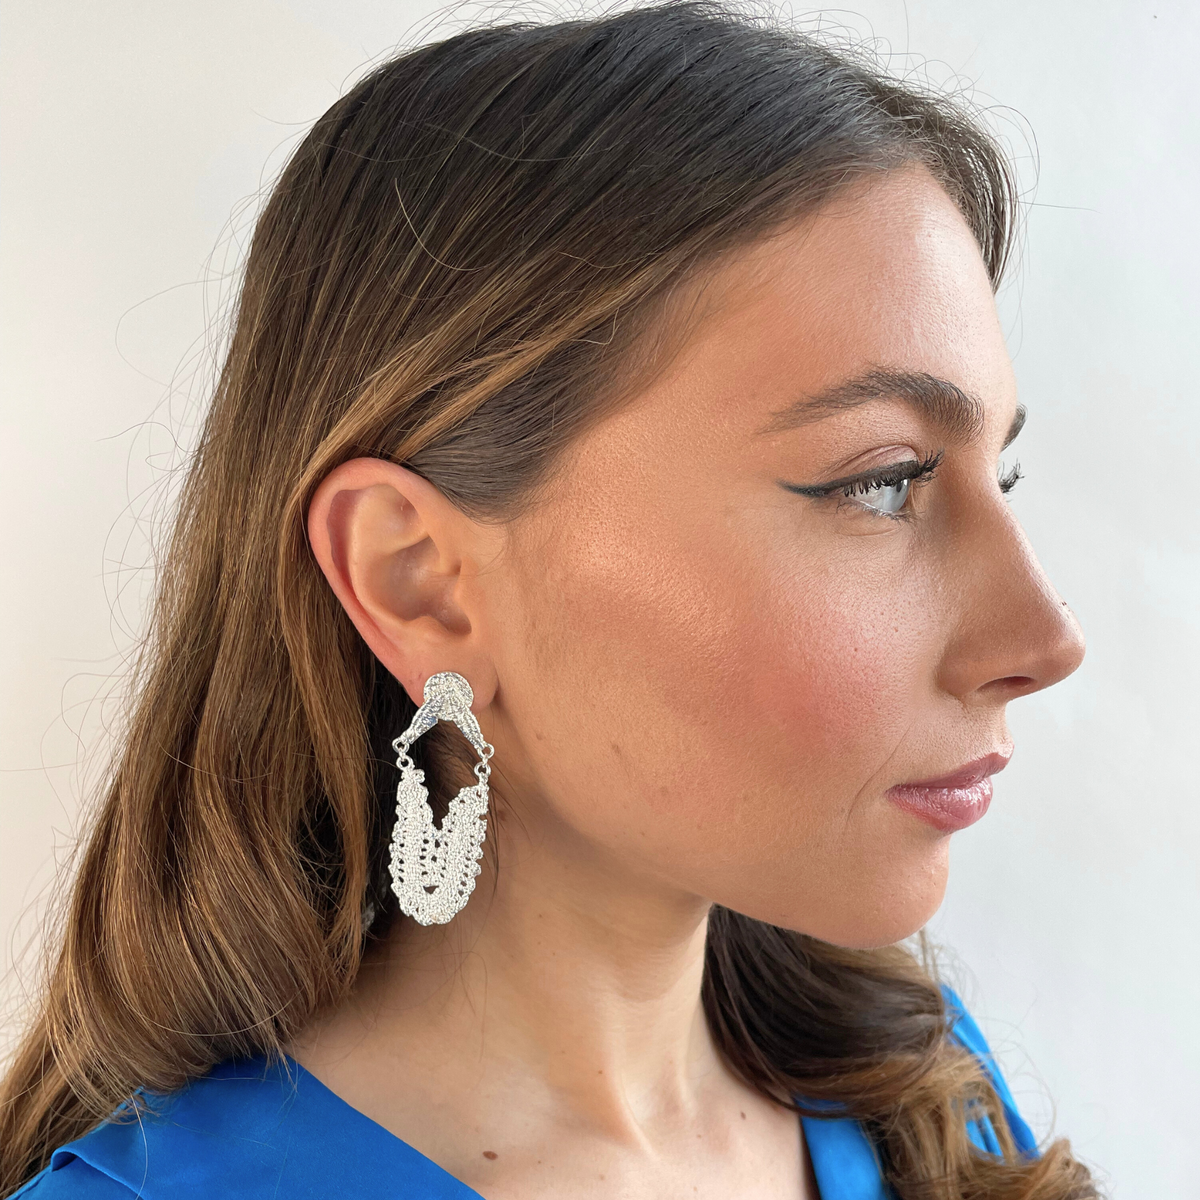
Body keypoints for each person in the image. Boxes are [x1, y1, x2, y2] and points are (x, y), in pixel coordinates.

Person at [0, 4, 1100, 1197]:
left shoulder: (929, 1102)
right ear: (417, 580)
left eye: (1005, 474)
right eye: (880, 484)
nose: (1042, 641)